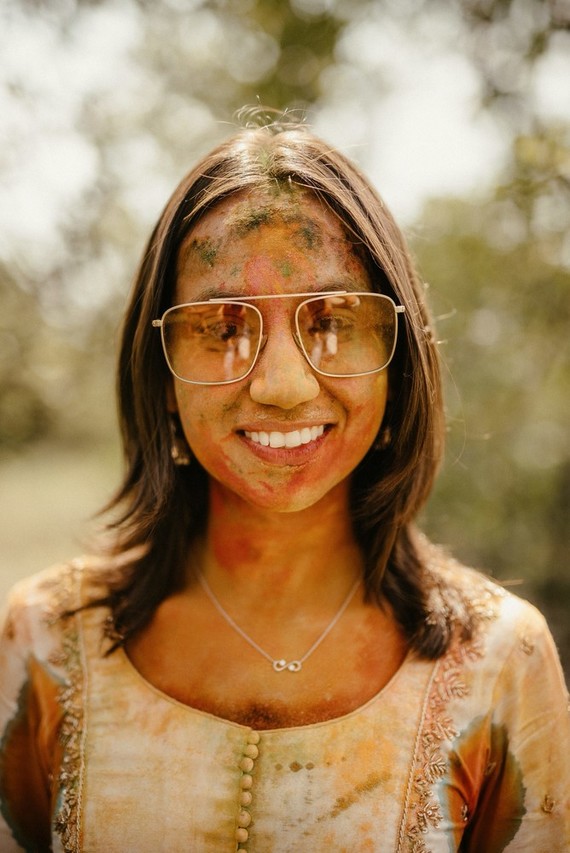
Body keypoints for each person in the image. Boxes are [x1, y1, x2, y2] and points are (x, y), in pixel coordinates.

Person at [0, 113, 568, 852]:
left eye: (333, 319)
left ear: (398, 361)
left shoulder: (498, 657)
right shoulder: (44, 640)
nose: (281, 384)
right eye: (222, 324)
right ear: (161, 370)